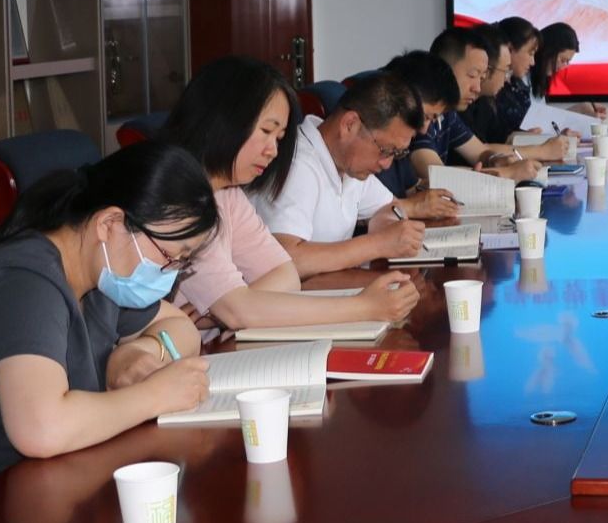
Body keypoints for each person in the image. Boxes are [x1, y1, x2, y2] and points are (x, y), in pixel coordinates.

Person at [0, 143, 219, 511]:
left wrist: (139, 350)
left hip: (36, 490)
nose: (169, 274)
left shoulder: (99, 275)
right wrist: (156, 395)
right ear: (109, 224)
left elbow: (179, 326)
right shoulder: (27, 283)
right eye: (169, 257)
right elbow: (40, 430)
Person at [162, 56, 419, 331]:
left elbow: (286, 275)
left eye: (279, 138)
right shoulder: (177, 197)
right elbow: (240, 310)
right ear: (223, 120)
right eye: (266, 131)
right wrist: (364, 307)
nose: (273, 151)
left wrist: (236, 308)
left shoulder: (228, 193)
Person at [253, 71, 460, 276]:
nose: (387, 164)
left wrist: (387, 220)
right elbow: (286, 260)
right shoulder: (297, 165)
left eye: (396, 153)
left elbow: (388, 207)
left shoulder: (349, 165)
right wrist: (377, 244)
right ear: (349, 124)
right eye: (385, 150)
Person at [427, 27, 545, 178]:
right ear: (444, 70)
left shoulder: (448, 114)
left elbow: (480, 151)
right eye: (472, 75)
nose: (477, 88)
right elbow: (435, 175)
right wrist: (508, 173)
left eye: (481, 78)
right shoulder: (421, 115)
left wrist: (496, 160)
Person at [373, 49, 463, 198]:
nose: (423, 130)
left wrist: (427, 189)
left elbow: (411, 188)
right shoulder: (369, 148)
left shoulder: (400, 149)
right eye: (426, 117)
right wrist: (415, 206)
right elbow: (375, 207)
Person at [463, 16, 547, 146]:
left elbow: (502, 139)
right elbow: (481, 151)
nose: (506, 80)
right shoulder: (460, 107)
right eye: (506, 70)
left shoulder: (484, 104)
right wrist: (544, 149)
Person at [529, 21, 607, 121]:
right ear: (547, 51)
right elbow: (536, 123)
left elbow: (542, 120)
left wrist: (582, 109)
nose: (564, 67)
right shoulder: (522, 79)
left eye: (567, 61)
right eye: (562, 60)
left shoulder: (538, 81)